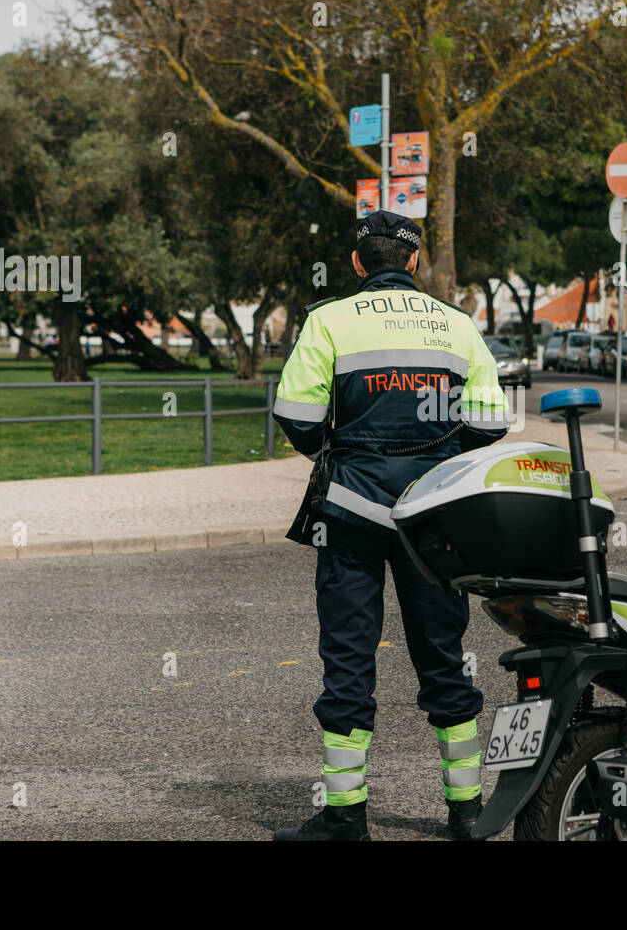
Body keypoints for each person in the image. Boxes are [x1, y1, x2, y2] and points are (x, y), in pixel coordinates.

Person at [271, 210, 510, 841]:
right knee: (444, 656)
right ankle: (466, 809)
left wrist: (345, 445)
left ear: (357, 262)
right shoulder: (458, 326)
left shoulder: (328, 321)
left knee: (348, 657)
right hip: (434, 517)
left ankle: (346, 817)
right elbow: (490, 423)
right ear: (413, 261)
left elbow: (296, 418)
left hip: (349, 511)